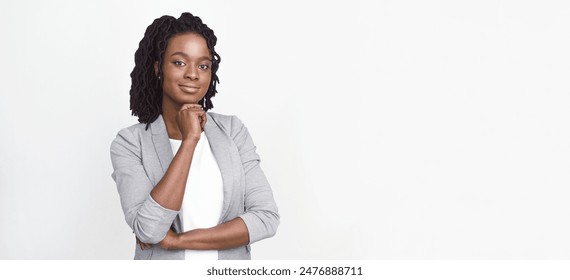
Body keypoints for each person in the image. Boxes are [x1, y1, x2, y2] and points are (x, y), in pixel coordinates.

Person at [110, 12, 279, 260]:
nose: (193, 74)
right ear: (158, 68)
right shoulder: (130, 143)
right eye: (179, 62)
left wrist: (177, 240)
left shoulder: (233, 131)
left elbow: (266, 218)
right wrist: (189, 141)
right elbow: (149, 229)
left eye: (203, 65)